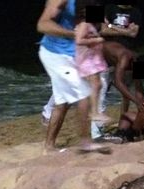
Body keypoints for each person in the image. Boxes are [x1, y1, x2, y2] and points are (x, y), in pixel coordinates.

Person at [37, 0, 108, 152]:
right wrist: (72, 33)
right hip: (55, 53)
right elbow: (42, 25)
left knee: (63, 102)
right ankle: (86, 142)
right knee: (84, 94)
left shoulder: (90, 3)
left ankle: (49, 146)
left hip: (72, 54)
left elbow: (100, 27)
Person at [75, 4, 111, 123]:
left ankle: (93, 111)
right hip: (85, 59)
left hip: (91, 58)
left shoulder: (91, 25)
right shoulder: (84, 25)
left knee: (97, 84)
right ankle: (93, 112)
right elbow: (78, 40)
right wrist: (96, 40)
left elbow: (107, 27)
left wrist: (106, 22)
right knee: (96, 84)